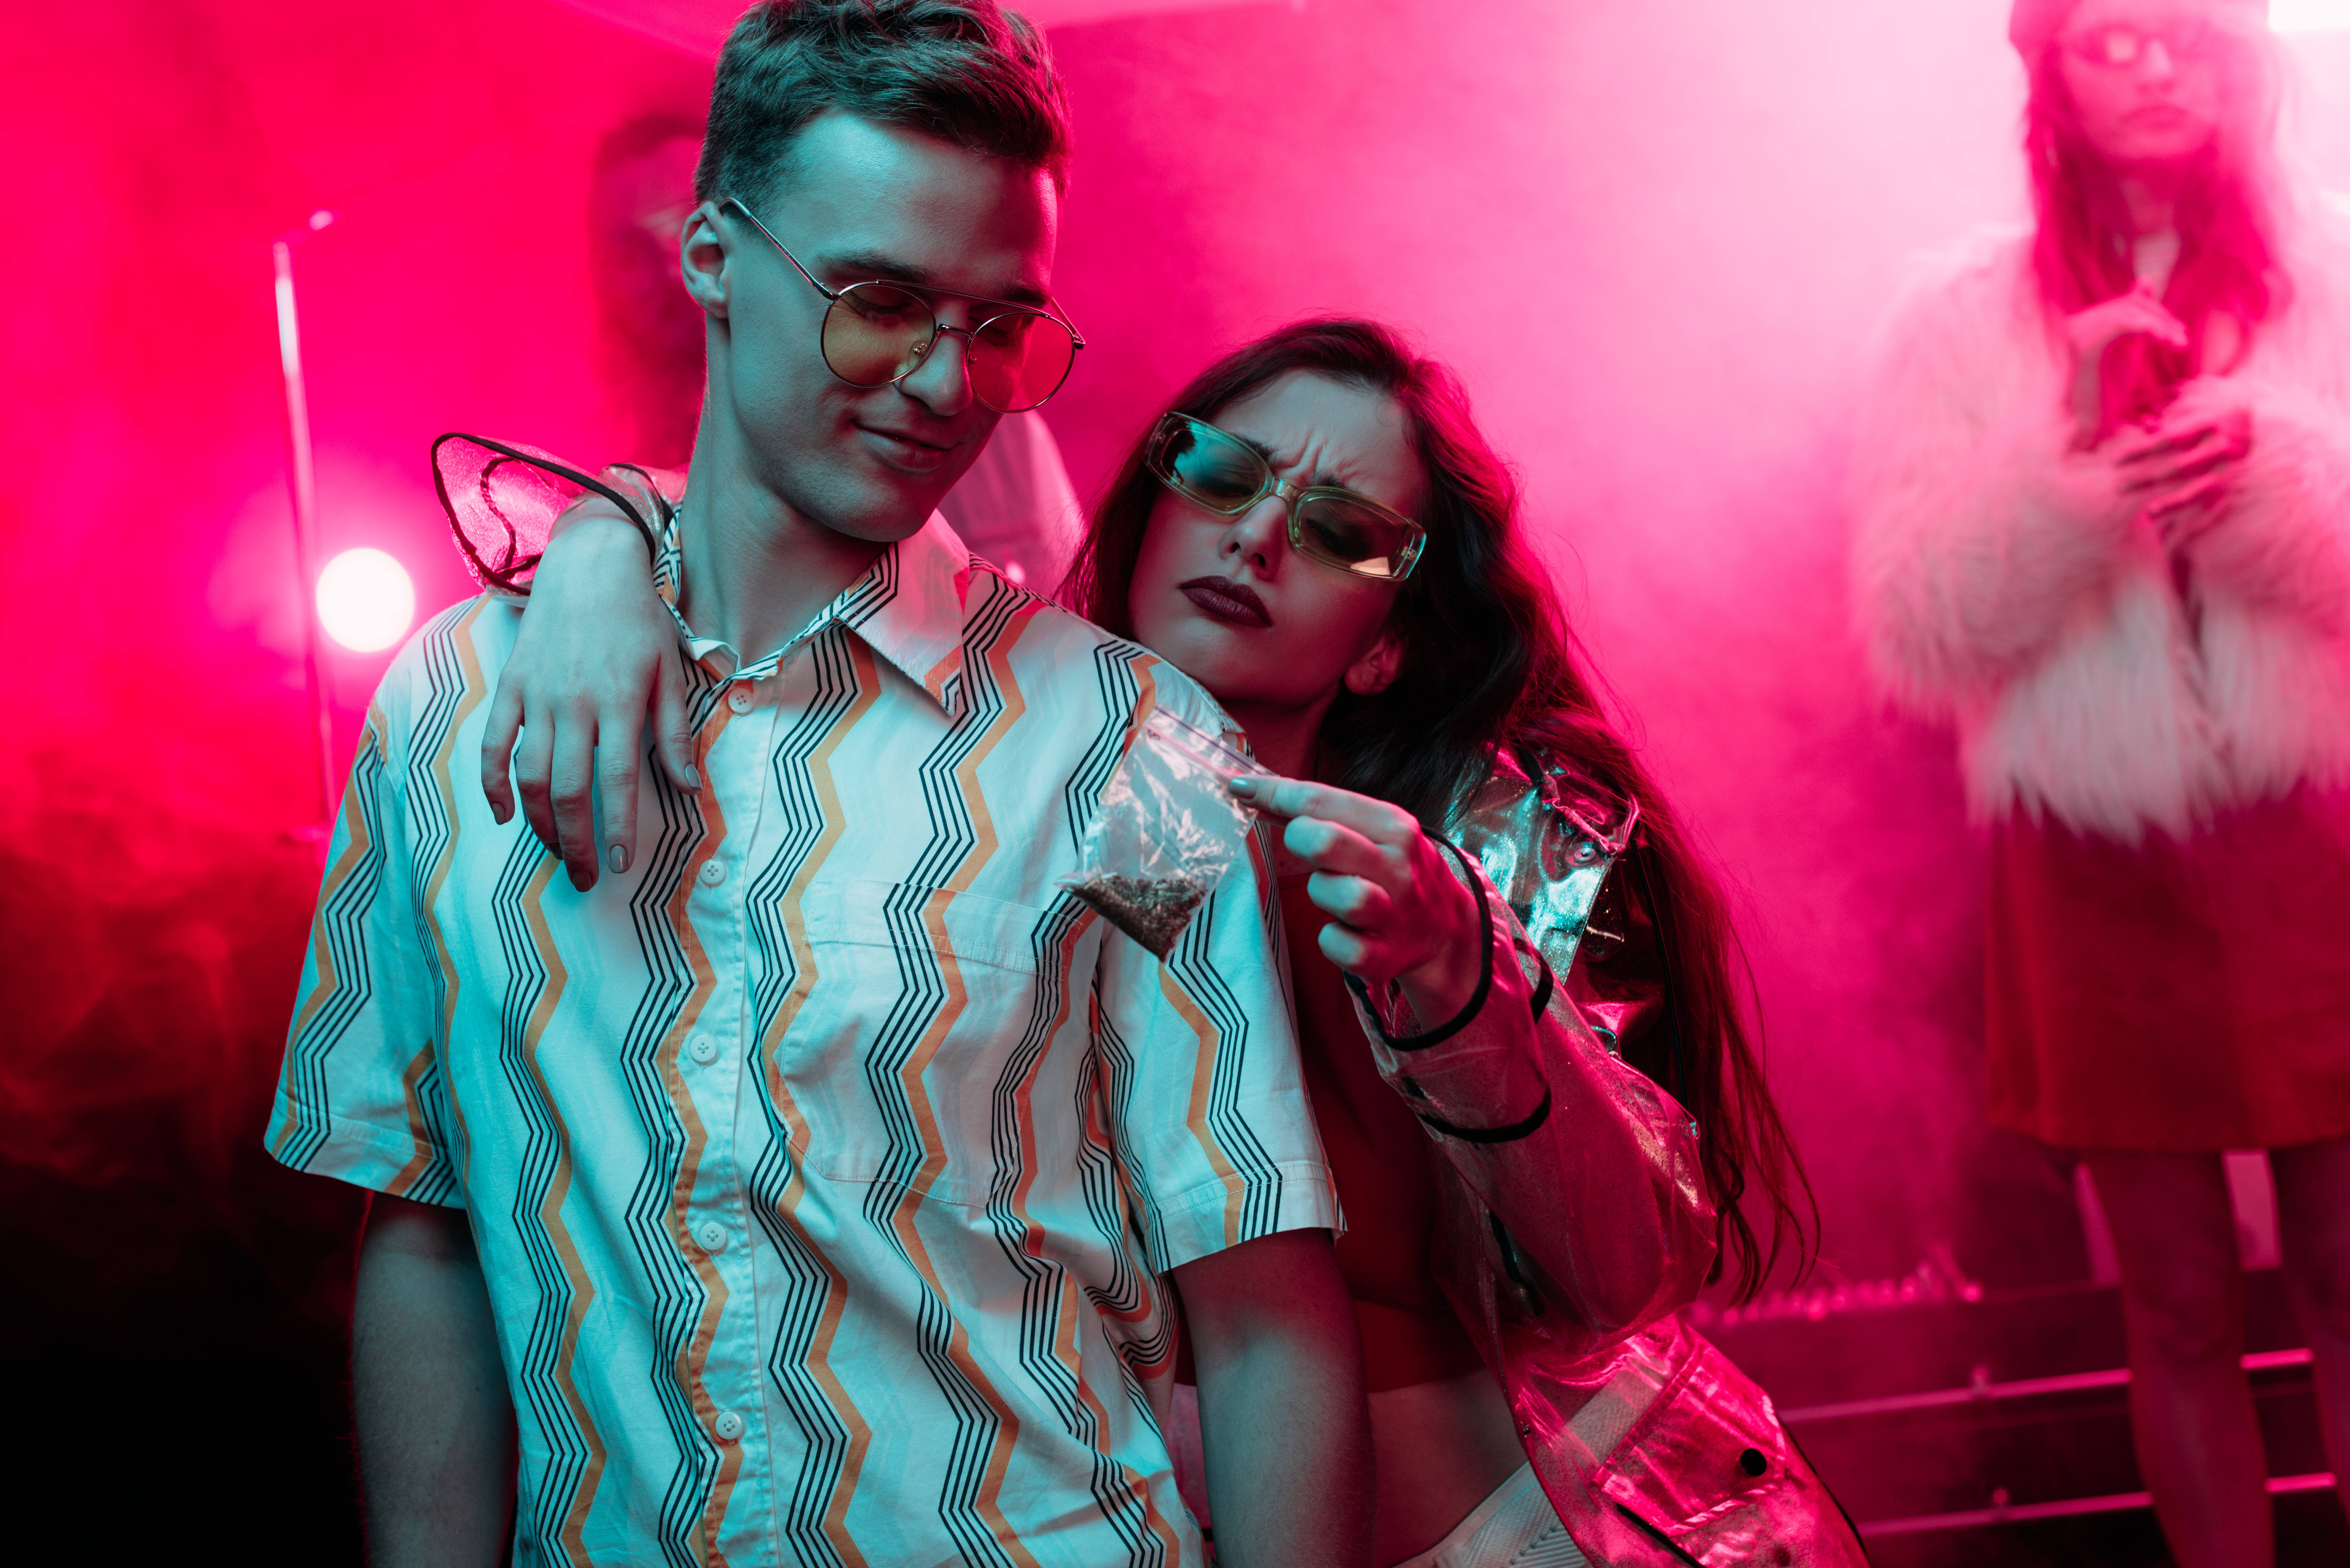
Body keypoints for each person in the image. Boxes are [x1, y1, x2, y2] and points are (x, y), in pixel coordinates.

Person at [479, 314, 1866, 1564]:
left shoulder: (1486, 842)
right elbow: (775, 537)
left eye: (1341, 532)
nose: (1257, 539)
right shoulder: (1039, 787)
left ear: (1383, 645)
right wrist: (610, 535)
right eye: (1222, 474)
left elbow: (1622, 1280)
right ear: (1153, 500)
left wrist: (1467, 993)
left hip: (1541, 1530)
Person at [266, 5, 1375, 1566]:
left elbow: (1261, 1306)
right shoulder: (449, 710)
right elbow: (429, 1219)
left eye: (998, 326)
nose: (944, 384)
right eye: (879, 303)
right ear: (711, 256)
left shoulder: (1144, 755)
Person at [1851, 2, 2350, 1562]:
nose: (2147, 66)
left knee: (2348, 1266)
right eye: (2108, 35)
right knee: (2179, 1293)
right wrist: (2074, 481)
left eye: (2182, 33)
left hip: (2312, 823)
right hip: (2089, 840)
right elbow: (1915, 628)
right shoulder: (1953, 317)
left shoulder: (2334, 266)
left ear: (2243, 58)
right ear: (2046, 65)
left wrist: (2268, 469)